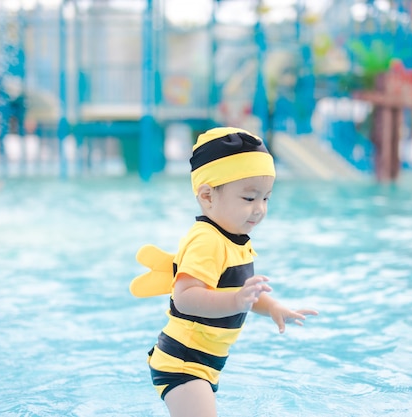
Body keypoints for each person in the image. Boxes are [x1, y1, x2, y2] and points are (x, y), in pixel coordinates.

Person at [130, 127, 318, 417]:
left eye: (266, 198)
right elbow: (186, 297)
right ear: (207, 196)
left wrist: (274, 307)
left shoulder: (235, 240)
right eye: (249, 198)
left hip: (203, 362)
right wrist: (236, 301)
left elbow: (243, 294)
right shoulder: (206, 241)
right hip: (182, 362)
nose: (259, 209)